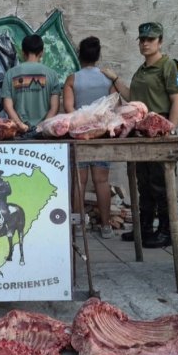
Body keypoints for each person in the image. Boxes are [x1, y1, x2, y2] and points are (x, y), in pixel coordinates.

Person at [104, 22, 178, 248]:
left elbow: (177, 100)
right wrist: (115, 79)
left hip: (159, 127)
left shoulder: (170, 66)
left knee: (161, 182)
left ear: (160, 41)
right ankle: (145, 228)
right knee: (144, 181)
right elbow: (132, 97)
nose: (145, 43)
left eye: (150, 39)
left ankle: (166, 231)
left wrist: (171, 128)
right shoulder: (141, 70)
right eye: (142, 40)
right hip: (140, 128)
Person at [62, 36, 115, 239]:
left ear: (79, 55)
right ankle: (106, 226)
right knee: (102, 181)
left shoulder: (72, 79)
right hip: (101, 135)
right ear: (98, 55)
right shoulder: (108, 79)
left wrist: (83, 125)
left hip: (80, 136)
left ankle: (77, 225)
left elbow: (69, 109)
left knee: (79, 182)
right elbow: (112, 107)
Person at [0, 34, 61, 132]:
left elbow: (7, 105)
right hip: (43, 133)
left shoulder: (10, 73)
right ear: (41, 52)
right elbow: (55, 107)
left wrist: (20, 125)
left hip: (19, 132)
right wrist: (41, 127)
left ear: (23, 52)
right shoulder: (52, 74)